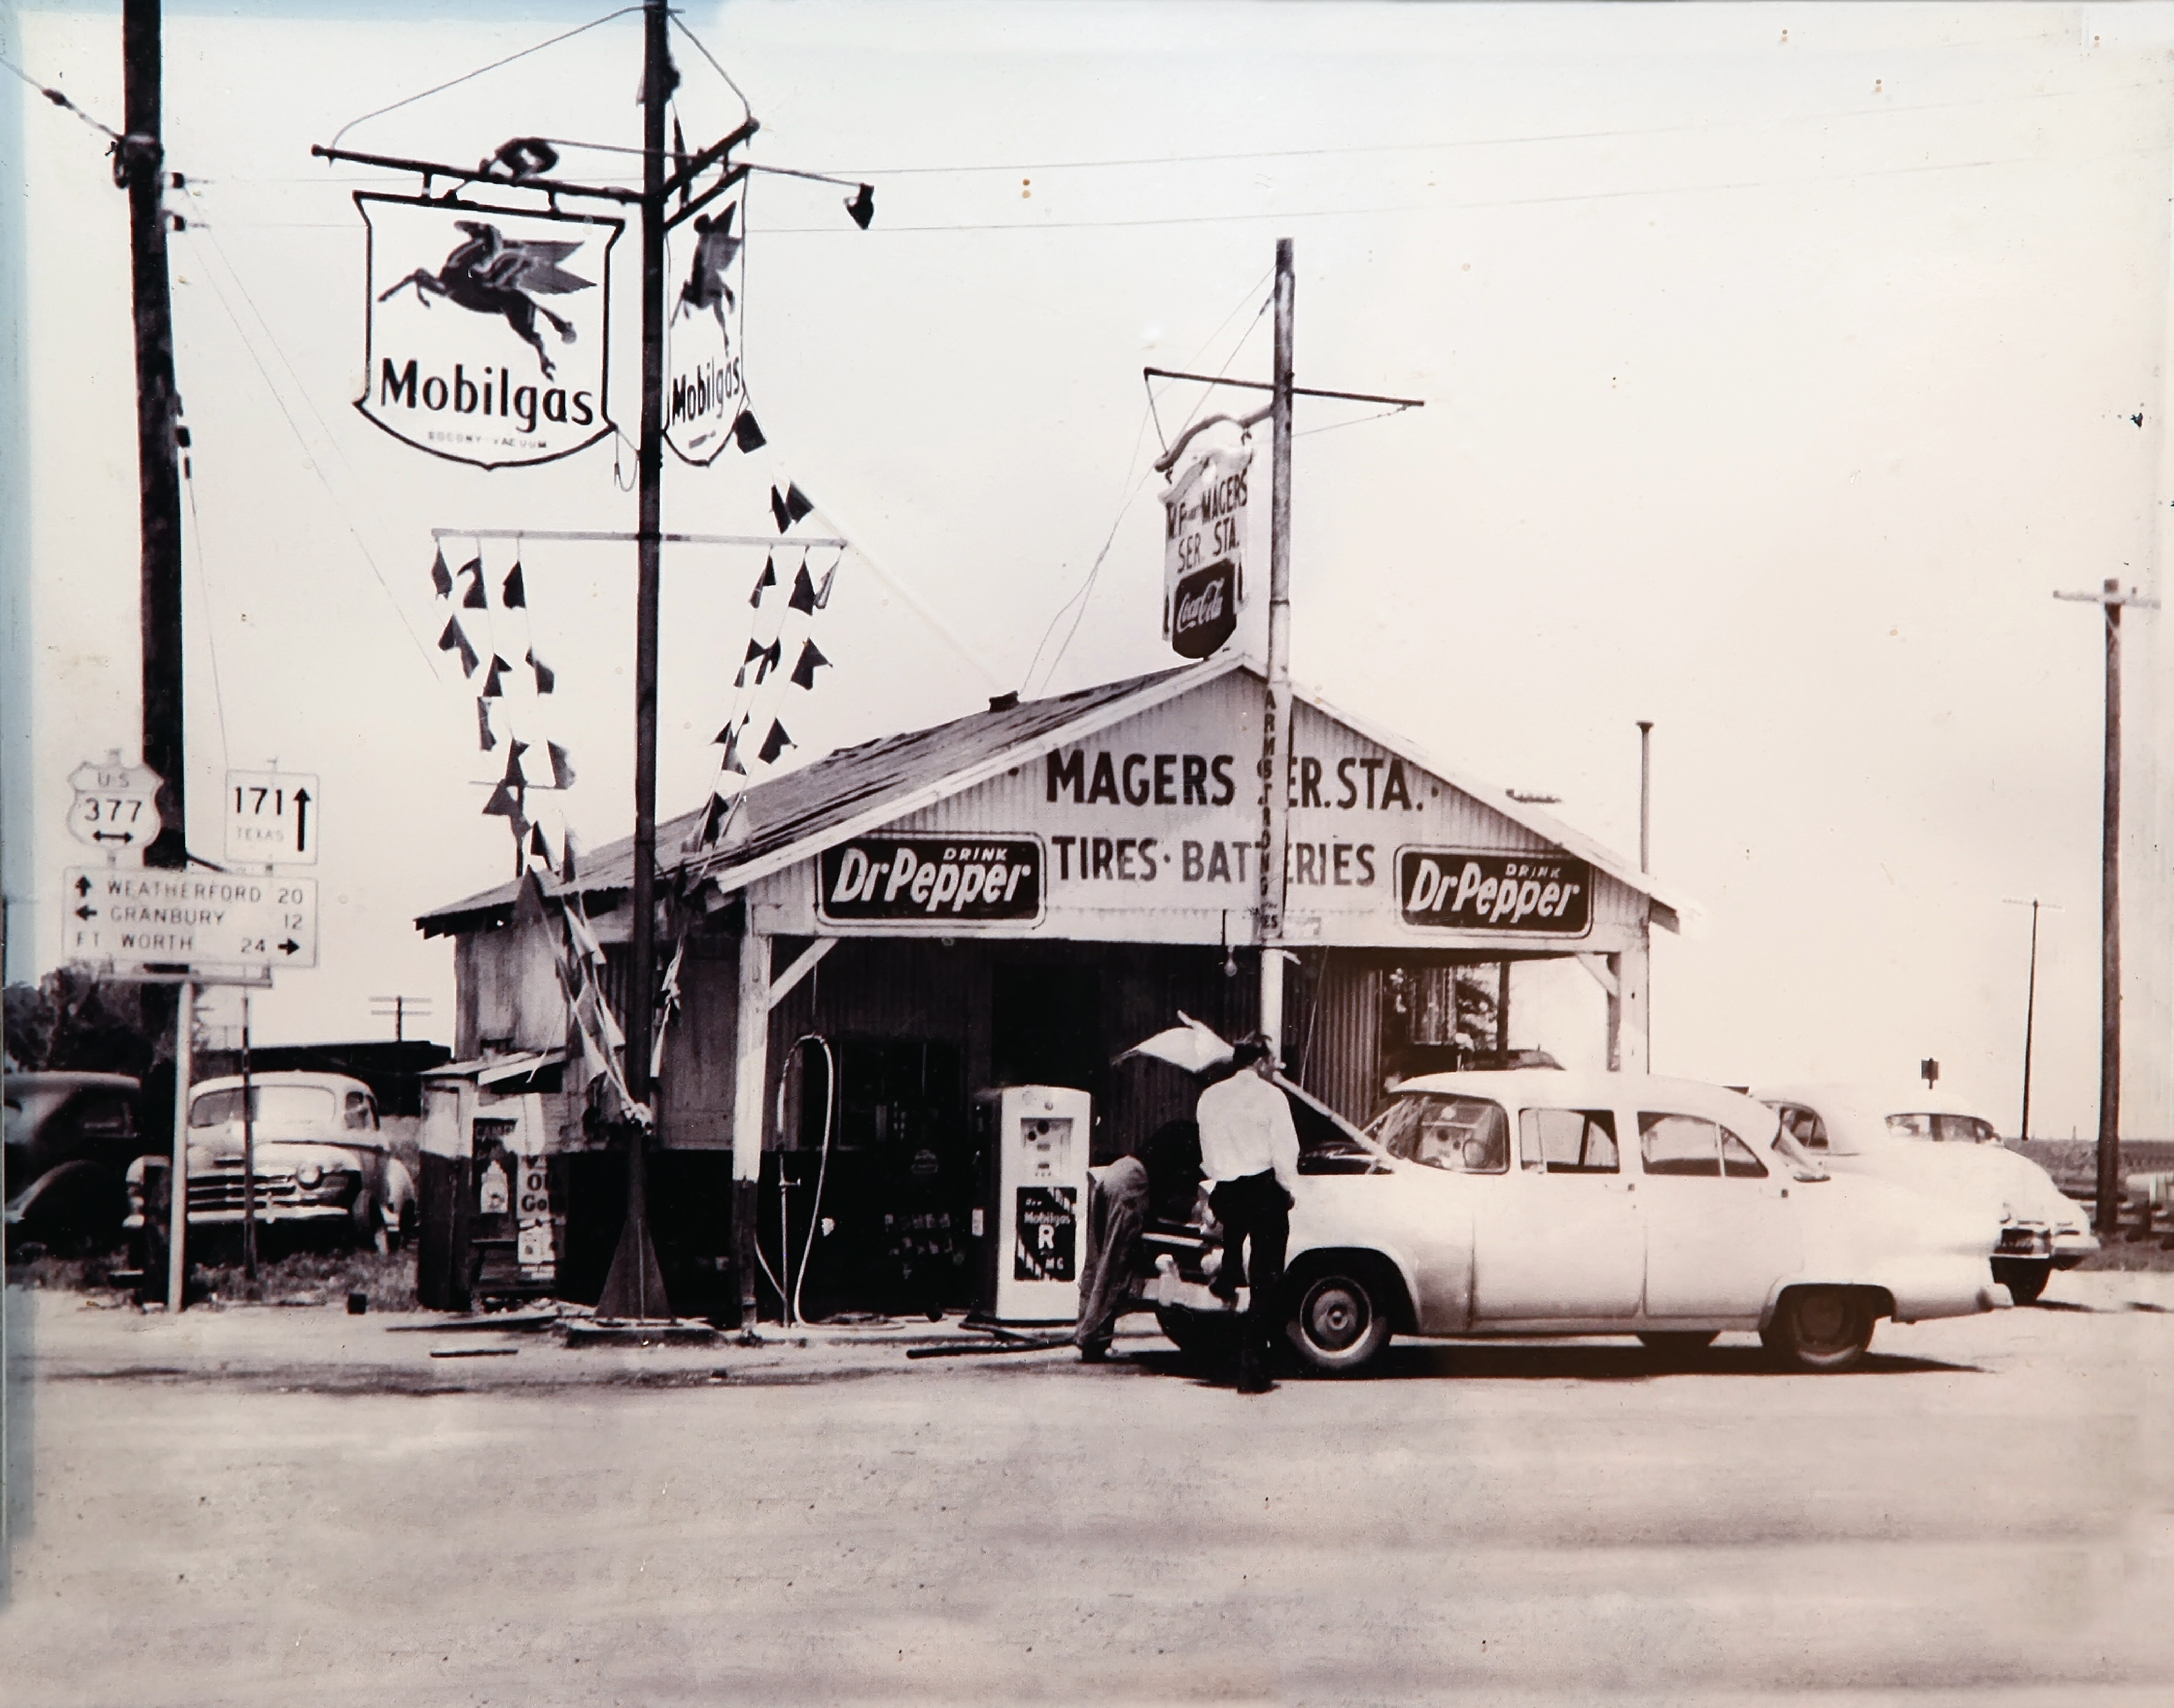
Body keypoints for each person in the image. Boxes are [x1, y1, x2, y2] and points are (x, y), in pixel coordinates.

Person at [1194, 1032, 1301, 1393]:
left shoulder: (1210, 1097)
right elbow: (1286, 1150)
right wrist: (1287, 1191)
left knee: (1235, 1266)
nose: (1274, 1070)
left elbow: (1208, 1154)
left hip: (1227, 1194)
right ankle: (1252, 1369)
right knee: (1266, 1280)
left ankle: (1228, 1272)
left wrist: (1222, 1183)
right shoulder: (1273, 1098)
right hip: (1262, 1192)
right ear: (1259, 1063)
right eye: (1272, 1064)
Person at [1073, 1119, 1203, 1362]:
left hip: (1113, 1173)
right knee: (1115, 1263)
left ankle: (1086, 1333)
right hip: (1131, 1185)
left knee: (1096, 1259)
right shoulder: (1200, 1141)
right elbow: (1178, 1190)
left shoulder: (1180, 1128)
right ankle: (1094, 1340)